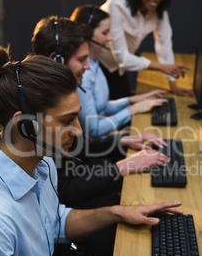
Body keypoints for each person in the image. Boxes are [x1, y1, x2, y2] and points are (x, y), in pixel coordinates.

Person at [0, 46, 183, 256]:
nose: (80, 131)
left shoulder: (42, 163)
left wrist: (116, 213)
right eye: (67, 120)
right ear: (25, 126)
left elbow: (54, 221)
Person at [31, 15, 171, 210]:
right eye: (82, 60)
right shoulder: (39, 106)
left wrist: (121, 142)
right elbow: (63, 192)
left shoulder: (58, 95)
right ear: (57, 60)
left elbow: (78, 149)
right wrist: (121, 168)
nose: (88, 67)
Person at [99, 0, 194, 99]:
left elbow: (165, 46)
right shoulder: (117, 5)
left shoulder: (159, 12)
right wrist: (161, 67)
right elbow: (122, 58)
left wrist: (173, 85)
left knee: (126, 105)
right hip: (96, 64)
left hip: (118, 68)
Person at [70, 4, 168, 139]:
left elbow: (101, 107)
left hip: (104, 137)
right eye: (105, 33)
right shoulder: (83, 74)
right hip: (98, 146)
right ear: (88, 35)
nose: (110, 38)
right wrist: (132, 109)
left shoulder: (94, 63)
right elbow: (94, 130)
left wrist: (132, 100)